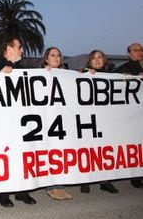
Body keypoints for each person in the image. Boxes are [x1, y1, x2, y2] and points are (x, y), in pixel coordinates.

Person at [0, 37, 37, 207]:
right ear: (8, 49)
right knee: (4, 157)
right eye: (19, 47)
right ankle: (3, 194)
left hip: (20, 121)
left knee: (22, 156)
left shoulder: (22, 70)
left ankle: (22, 192)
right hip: (1, 122)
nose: (21, 50)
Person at [79, 50, 119, 194]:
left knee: (106, 151)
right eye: (93, 58)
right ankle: (86, 181)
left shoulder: (113, 76)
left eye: (100, 57)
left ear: (104, 60)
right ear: (89, 61)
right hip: (88, 119)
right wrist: (85, 72)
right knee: (89, 150)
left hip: (106, 120)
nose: (97, 60)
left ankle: (105, 181)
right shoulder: (84, 74)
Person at [40, 47, 73, 201]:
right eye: (52, 55)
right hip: (46, 120)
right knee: (49, 153)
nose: (56, 57)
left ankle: (60, 186)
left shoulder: (67, 75)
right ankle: (52, 187)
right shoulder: (40, 74)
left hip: (62, 120)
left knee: (60, 154)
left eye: (58, 55)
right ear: (46, 59)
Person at [114, 43, 143, 189]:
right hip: (134, 114)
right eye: (135, 50)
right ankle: (136, 176)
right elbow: (109, 78)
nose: (139, 52)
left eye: (140, 50)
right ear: (129, 54)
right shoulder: (125, 68)